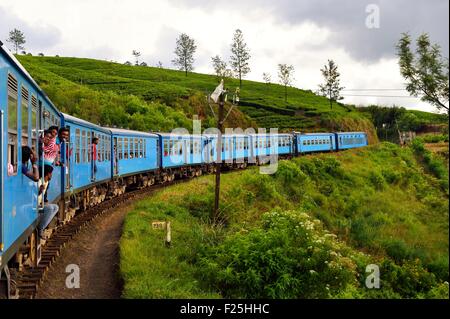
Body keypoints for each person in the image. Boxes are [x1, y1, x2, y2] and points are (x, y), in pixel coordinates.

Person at [38, 165, 59, 237]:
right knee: (50, 208)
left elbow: (44, 196)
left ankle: (43, 226)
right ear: (47, 174)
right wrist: (39, 191)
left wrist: (45, 201)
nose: (52, 175)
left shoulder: (46, 182)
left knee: (56, 207)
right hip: (34, 205)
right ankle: (40, 228)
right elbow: (34, 194)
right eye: (51, 173)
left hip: (40, 204)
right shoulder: (39, 181)